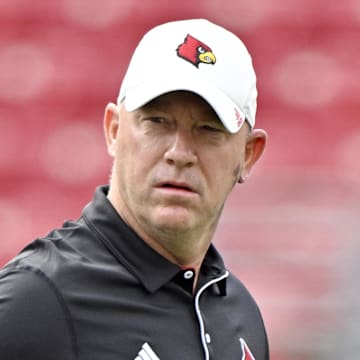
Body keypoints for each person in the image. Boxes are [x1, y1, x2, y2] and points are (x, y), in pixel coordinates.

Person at [0, 19, 269, 359]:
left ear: (248, 154)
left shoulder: (241, 314)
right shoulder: (37, 301)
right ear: (114, 130)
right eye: (157, 122)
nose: (179, 154)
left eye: (208, 129)